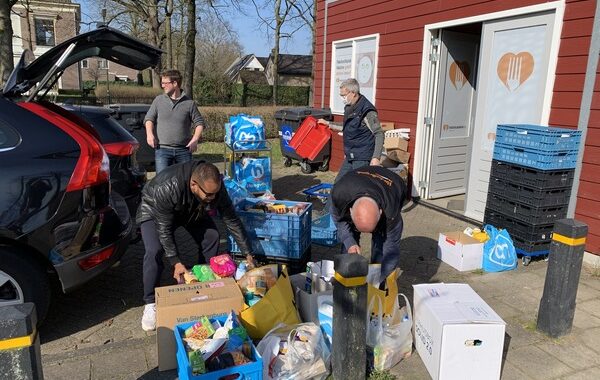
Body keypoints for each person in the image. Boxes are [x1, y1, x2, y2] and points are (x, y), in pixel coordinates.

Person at [137, 161, 256, 331]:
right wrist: (176, 261)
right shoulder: (167, 186)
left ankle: (201, 280)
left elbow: (231, 219)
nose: (213, 199)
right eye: (209, 194)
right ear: (194, 185)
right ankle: (149, 303)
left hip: (189, 209)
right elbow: (164, 229)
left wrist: (248, 253)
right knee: (154, 250)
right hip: (154, 210)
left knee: (212, 236)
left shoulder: (213, 187)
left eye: (215, 194)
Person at [330, 165, 407, 281]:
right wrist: (349, 241)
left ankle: (377, 279)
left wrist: (381, 279)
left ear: (380, 213)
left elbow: (391, 251)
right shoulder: (339, 194)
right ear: (350, 211)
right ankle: (345, 279)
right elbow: (339, 221)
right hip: (353, 182)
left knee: (381, 245)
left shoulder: (391, 213)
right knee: (349, 244)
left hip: (392, 185)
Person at [320, 78, 384, 182]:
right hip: (351, 154)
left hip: (362, 157)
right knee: (339, 183)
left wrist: (376, 157)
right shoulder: (349, 107)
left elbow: (379, 134)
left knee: (357, 186)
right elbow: (347, 126)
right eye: (341, 95)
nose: (342, 98)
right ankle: (333, 198)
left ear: (353, 93)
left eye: (343, 95)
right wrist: (328, 123)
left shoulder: (367, 111)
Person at [144, 69, 205, 173]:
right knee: (162, 182)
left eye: (165, 83)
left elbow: (199, 123)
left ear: (175, 83)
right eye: (161, 83)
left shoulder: (189, 103)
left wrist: (195, 140)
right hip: (162, 150)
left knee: (184, 181)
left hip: (184, 151)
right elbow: (149, 119)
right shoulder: (158, 100)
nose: (162, 86)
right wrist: (149, 134)